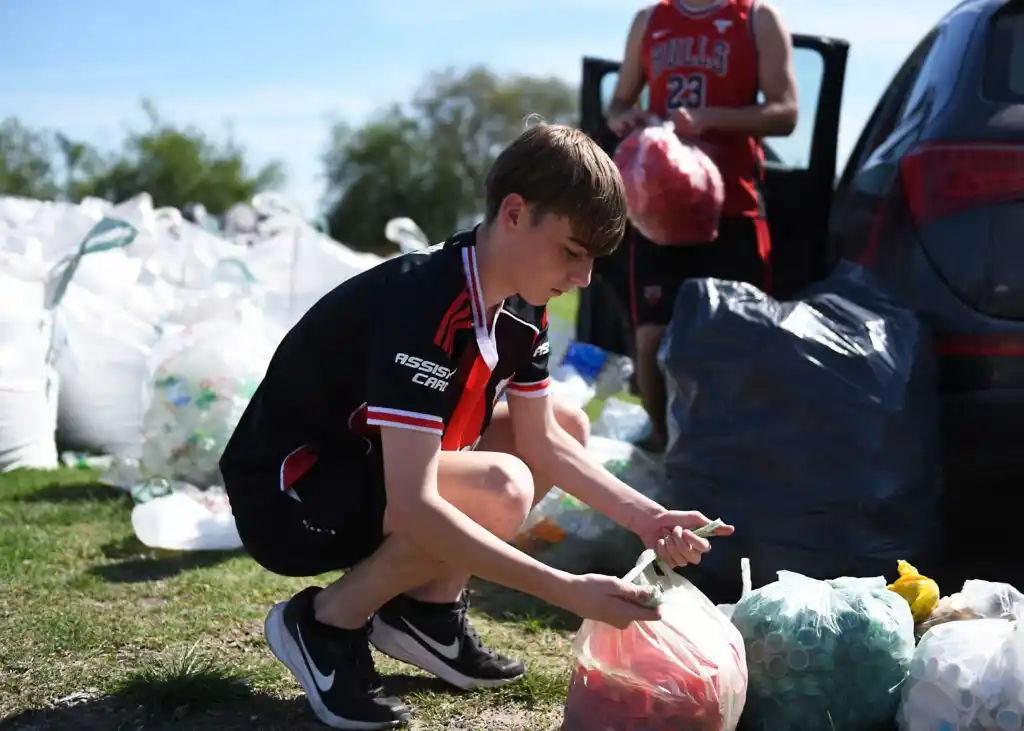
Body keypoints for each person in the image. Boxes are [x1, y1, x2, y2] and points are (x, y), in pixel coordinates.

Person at [219, 122, 734, 730]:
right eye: (572, 251)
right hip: (287, 494)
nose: (584, 277)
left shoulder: (522, 302)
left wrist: (649, 518)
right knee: (502, 485)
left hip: (358, 467)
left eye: (595, 259)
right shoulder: (425, 301)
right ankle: (325, 622)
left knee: (560, 422)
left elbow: (545, 442)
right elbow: (414, 506)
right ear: (515, 213)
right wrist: (566, 589)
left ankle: (426, 615)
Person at [607, 0, 798, 450]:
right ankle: (664, 456)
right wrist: (624, 118)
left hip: (734, 208)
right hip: (660, 213)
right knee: (651, 339)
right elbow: (618, 102)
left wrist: (709, 118)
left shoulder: (756, 16)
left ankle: (739, 459)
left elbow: (786, 112)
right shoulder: (649, 21)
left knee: (739, 340)